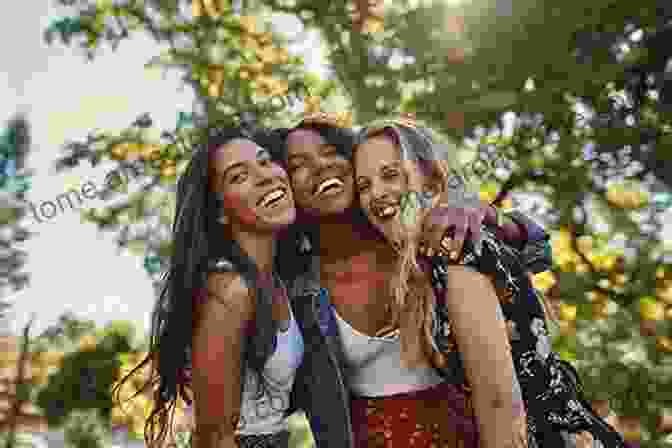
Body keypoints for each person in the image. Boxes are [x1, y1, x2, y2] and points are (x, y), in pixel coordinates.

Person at [270, 111, 552, 448]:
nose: (320, 166)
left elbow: (535, 253)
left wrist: (482, 212)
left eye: (331, 153)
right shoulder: (295, 287)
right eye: (298, 165)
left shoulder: (425, 235)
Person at [351, 116, 627, 448]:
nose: (377, 193)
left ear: (432, 182)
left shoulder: (456, 248)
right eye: (364, 185)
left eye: (391, 175)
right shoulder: (427, 262)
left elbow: (500, 405)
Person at [114, 125, 304, 448]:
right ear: (219, 211)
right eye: (239, 176)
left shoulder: (275, 280)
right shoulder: (229, 291)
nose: (266, 176)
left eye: (265, 161)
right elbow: (216, 437)